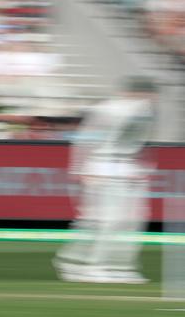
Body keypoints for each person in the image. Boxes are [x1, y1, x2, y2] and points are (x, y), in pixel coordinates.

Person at [53, 76, 157, 284]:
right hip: (103, 166)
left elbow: (137, 142)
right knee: (106, 221)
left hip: (126, 168)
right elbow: (85, 140)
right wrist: (82, 169)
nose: (150, 98)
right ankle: (91, 265)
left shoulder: (145, 111)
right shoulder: (108, 109)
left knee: (130, 221)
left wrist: (142, 166)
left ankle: (118, 266)